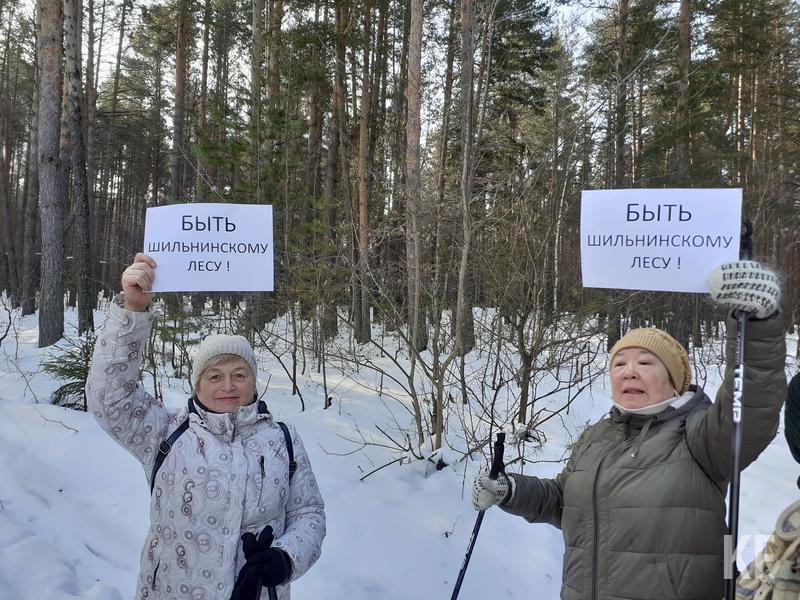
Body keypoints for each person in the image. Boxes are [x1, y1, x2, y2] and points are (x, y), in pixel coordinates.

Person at [472, 260, 786, 600]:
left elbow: (752, 403)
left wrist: (756, 324)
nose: (628, 372)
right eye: (619, 363)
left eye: (646, 363)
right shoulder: (597, 437)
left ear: (675, 382)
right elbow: (562, 502)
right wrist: (510, 490)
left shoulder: (700, 435)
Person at [86, 253, 325, 600]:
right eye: (214, 376)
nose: (228, 386)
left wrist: (286, 557)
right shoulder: (166, 432)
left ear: (253, 382)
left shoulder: (281, 439)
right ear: (197, 385)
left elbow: (309, 513)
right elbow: (108, 397)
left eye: (239, 375)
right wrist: (133, 309)